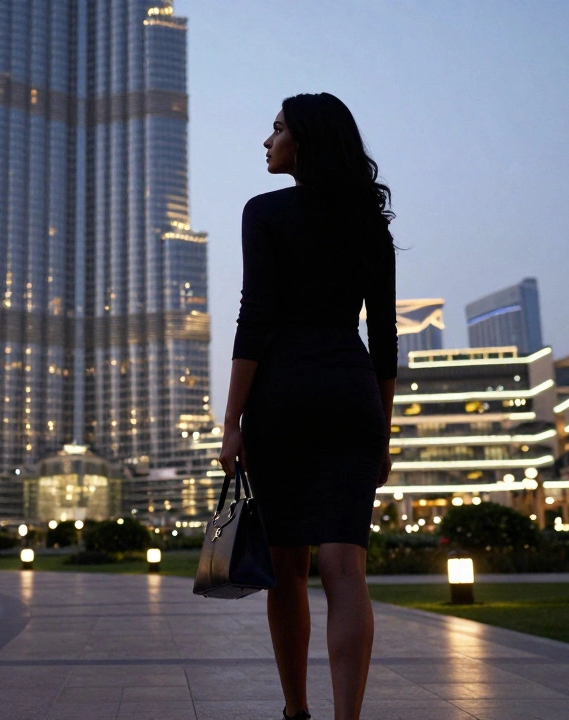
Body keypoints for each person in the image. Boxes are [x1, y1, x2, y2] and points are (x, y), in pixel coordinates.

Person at [218, 92, 397, 720]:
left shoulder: (264, 213)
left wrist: (232, 420)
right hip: (352, 397)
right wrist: (385, 431)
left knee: (287, 565)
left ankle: (297, 712)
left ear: (306, 142)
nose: (267, 142)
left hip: (283, 398)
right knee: (345, 566)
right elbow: (384, 337)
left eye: (277, 130)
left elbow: (256, 319)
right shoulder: (370, 226)